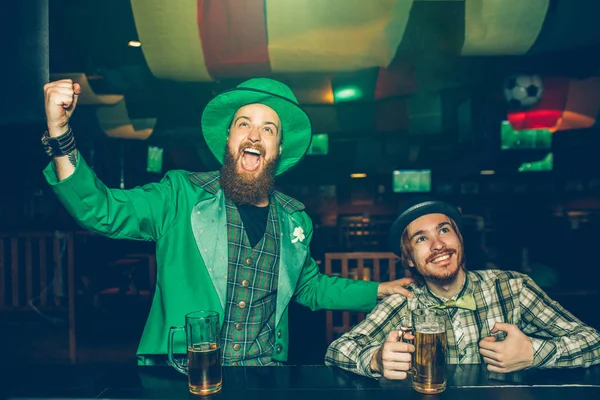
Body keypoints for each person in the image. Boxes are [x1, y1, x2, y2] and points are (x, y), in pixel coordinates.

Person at [41, 77, 414, 366]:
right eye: (244, 124)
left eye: (268, 129)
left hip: (263, 375)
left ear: (279, 148)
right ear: (229, 138)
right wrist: (60, 134)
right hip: (181, 373)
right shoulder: (180, 194)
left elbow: (310, 287)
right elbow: (101, 210)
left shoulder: (293, 219)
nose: (254, 135)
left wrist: (378, 290)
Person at [325, 196, 600, 379]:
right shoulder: (403, 302)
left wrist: (534, 353)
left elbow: (593, 343)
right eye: (421, 239)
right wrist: (375, 360)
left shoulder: (511, 288)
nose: (438, 245)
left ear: (460, 238)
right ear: (408, 259)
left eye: (444, 230)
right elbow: (337, 351)